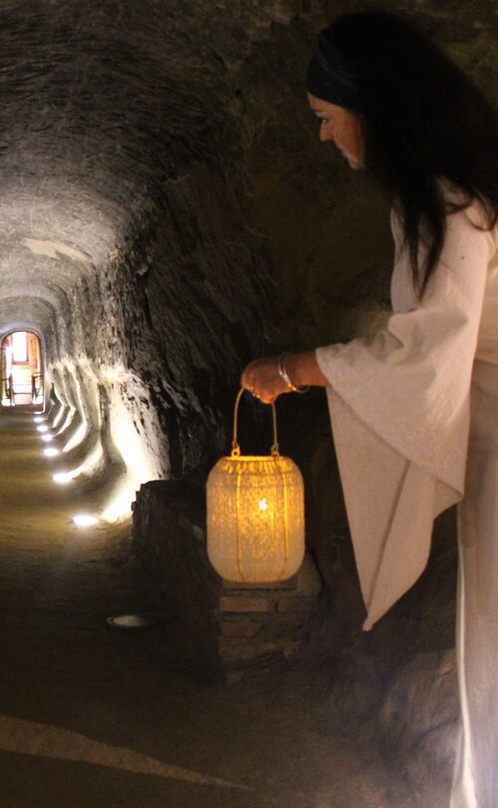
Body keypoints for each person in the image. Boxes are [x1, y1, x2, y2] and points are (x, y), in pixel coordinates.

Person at [240, 11, 498, 807]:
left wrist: (295, 370)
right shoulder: (449, 189)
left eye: (327, 117)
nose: (322, 136)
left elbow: (424, 357)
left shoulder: (451, 201)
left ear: (374, 107)